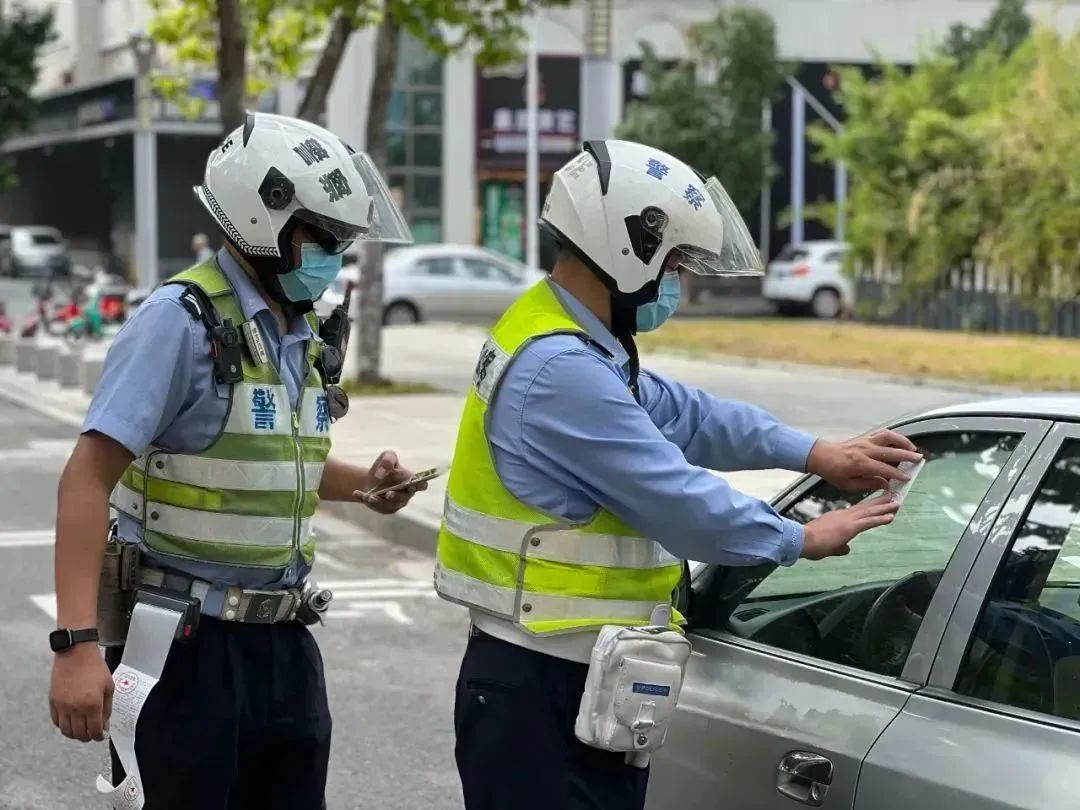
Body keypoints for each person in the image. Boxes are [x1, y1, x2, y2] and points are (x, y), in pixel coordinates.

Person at [435, 140, 923, 809]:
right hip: (538, 688)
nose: (679, 285)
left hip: (570, 681)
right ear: (624, 248)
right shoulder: (561, 370)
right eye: (673, 264)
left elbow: (689, 415)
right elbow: (677, 499)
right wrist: (801, 537)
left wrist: (816, 454)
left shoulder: (574, 341)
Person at [47, 112, 419, 808]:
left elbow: (269, 463)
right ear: (261, 219)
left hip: (285, 644)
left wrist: (361, 485)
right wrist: (76, 645)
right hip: (185, 648)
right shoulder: (178, 321)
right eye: (323, 237)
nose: (333, 256)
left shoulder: (296, 329)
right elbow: (87, 476)